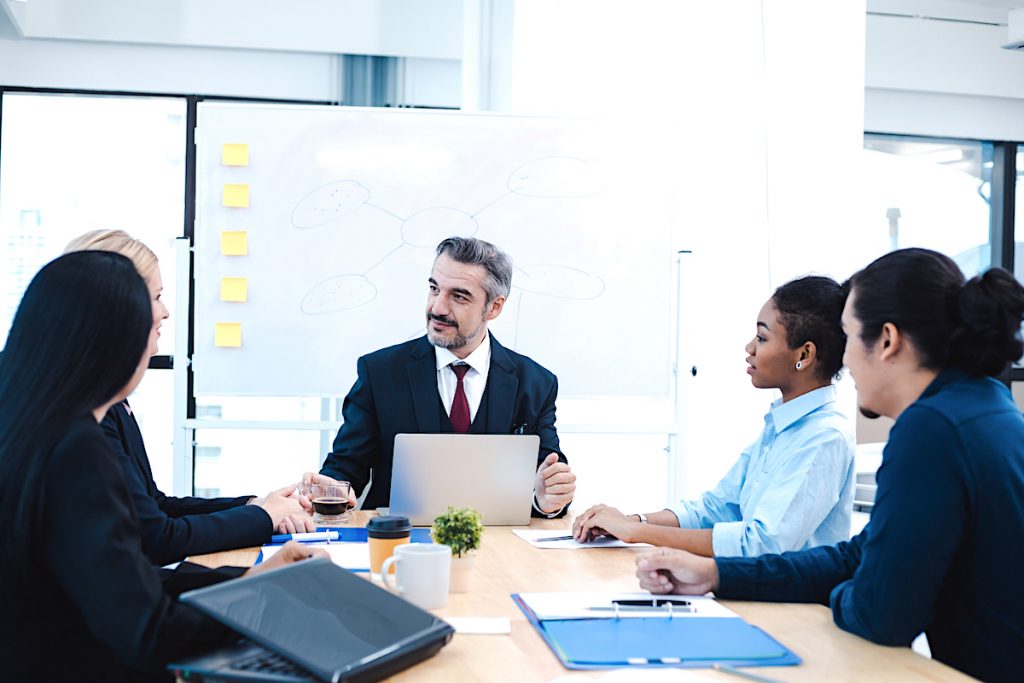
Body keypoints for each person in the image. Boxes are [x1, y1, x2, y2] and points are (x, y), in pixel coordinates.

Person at [635, 249, 1024, 683]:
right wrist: (719, 573)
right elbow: (859, 556)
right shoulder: (984, 407)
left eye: (850, 337)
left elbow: (881, 615)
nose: (846, 362)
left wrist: (842, 595)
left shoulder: (932, 429)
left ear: (888, 341)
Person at [0, 251, 325, 681]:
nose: (160, 324)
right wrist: (264, 603)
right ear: (112, 343)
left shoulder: (28, 426)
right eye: (149, 318)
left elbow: (126, 581)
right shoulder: (75, 448)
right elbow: (149, 629)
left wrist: (252, 578)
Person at [64, 229, 313, 566]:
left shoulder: (110, 400)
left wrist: (255, 506)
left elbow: (154, 504)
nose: (165, 312)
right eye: (156, 296)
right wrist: (263, 518)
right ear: (118, 304)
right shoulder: (86, 412)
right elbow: (155, 536)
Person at [573, 276, 855, 557]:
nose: (750, 348)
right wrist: (632, 521)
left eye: (762, 337)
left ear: (804, 354)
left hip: (789, 601)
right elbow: (718, 508)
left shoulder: (825, 437)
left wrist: (637, 533)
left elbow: (761, 544)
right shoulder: (781, 426)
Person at [311, 236, 576, 517]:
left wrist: (546, 499)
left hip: (500, 549)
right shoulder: (379, 373)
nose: (437, 308)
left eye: (459, 296)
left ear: (494, 307)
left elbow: (548, 479)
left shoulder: (536, 383)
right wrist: (332, 490)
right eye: (434, 289)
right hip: (401, 546)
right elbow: (346, 468)